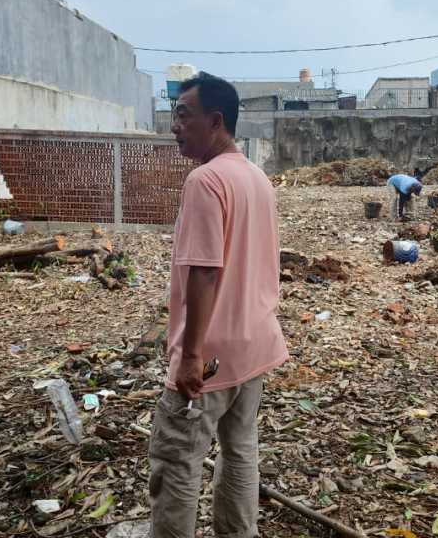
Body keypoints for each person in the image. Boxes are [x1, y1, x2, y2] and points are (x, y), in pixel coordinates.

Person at [151, 73, 289, 538]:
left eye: (182, 116)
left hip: (209, 357)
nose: (174, 126)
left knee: (176, 461)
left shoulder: (205, 180)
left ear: (215, 121)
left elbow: (204, 271)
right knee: (240, 450)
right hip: (255, 344)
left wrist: (190, 355)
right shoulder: (257, 178)